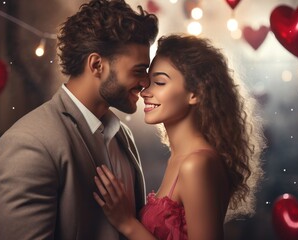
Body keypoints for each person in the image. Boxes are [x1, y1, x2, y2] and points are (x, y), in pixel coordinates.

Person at [0, 0, 158, 239]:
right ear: (97, 65)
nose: (145, 82)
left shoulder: (122, 136)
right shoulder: (30, 144)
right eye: (138, 70)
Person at [93, 34, 266, 240]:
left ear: (195, 93)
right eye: (148, 82)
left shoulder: (196, 164)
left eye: (159, 82)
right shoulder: (179, 158)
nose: (145, 92)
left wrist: (127, 223)